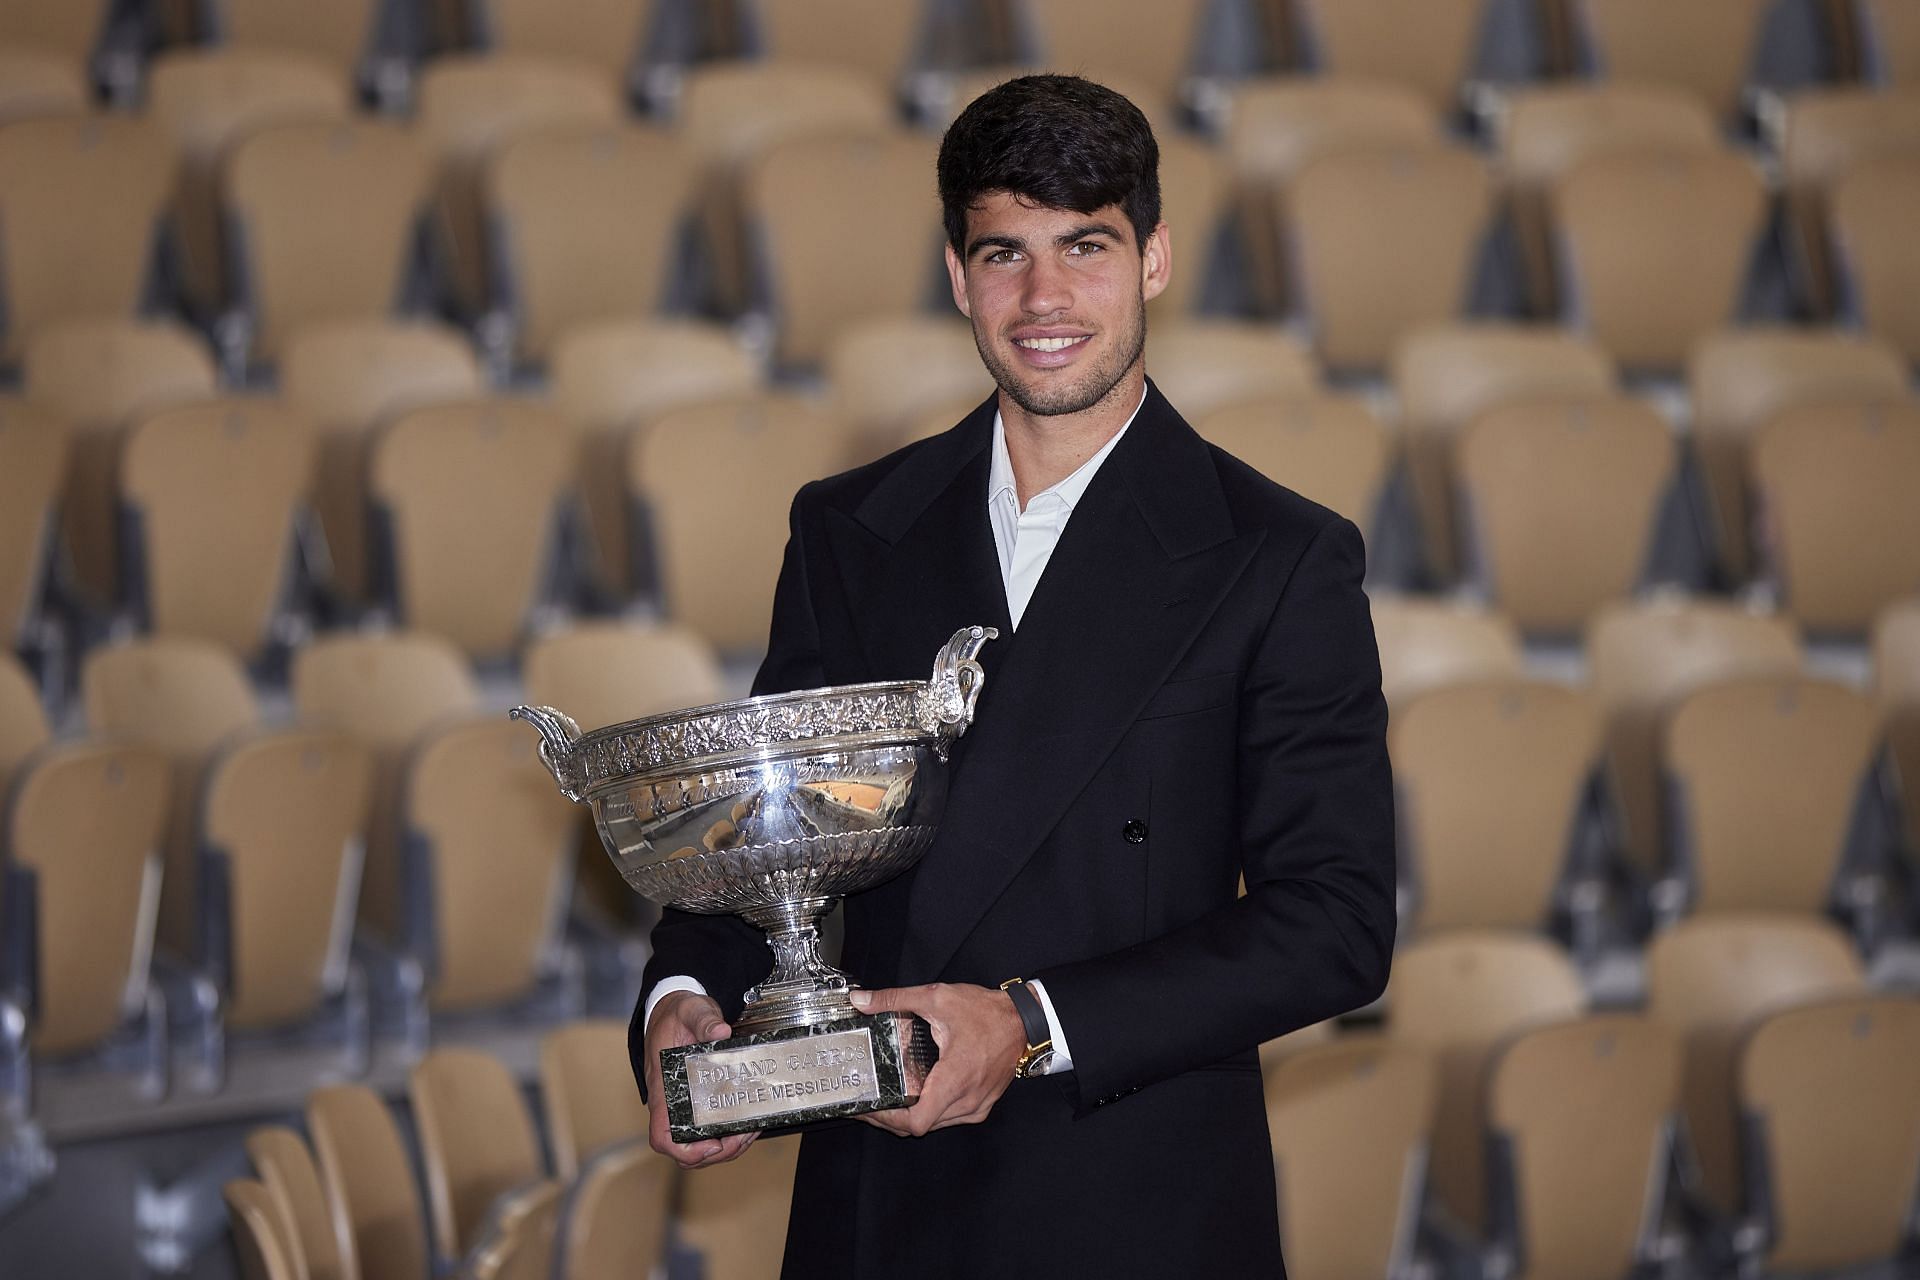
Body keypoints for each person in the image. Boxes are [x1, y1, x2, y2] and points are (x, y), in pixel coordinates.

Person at [633, 74, 1395, 1277]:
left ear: (1154, 258)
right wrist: (684, 994)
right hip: (879, 1196)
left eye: (1085, 247)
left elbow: (1337, 923)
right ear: (957, 276)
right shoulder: (848, 527)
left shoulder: (1282, 555)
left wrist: (1032, 1025)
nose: (1044, 299)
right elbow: (769, 832)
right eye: (1006, 254)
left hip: (1132, 1197)